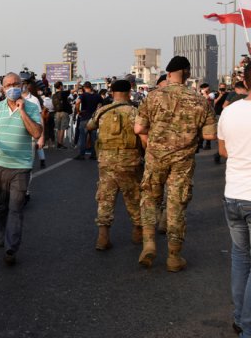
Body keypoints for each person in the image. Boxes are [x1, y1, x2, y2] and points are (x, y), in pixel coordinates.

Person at [134, 56, 217, 271]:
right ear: (187, 74)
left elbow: (139, 129)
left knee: (150, 199)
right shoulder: (199, 100)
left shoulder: (152, 97)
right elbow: (210, 135)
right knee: (176, 204)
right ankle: (173, 256)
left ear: (169, 73)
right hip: (183, 161)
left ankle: (149, 242)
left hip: (155, 158)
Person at [0, 73, 42, 265]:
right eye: (8, 85)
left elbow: (37, 133)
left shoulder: (31, 107)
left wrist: (22, 112)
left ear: (22, 86)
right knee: (2, 206)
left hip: (21, 168)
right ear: (2, 88)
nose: (12, 87)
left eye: (16, 84)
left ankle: (11, 248)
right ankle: (4, 233)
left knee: (16, 208)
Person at [86, 80, 143, 250]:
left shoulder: (103, 111)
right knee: (133, 196)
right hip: (129, 160)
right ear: (129, 92)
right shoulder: (135, 112)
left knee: (105, 198)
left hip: (106, 161)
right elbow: (143, 132)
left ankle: (103, 237)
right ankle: (137, 231)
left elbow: (89, 126)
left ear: (111, 93)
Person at [218, 63, 251, 337]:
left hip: (234, 194)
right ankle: (248, 327)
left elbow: (223, 150)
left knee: (241, 257)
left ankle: (240, 318)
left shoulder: (229, 112)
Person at [74, 82, 102, 160]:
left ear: (84, 87)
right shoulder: (97, 96)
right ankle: (93, 154)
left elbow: (77, 102)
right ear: (91, 87)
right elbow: (100, 105)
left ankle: (81, 154)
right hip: (93, 119)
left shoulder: (83, 95)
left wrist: (78, 111)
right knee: (93, 137)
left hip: (84, 117)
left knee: (83, 137)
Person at [52, 81, 72, 149]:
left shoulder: (54, 95)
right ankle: (61, 143)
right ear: (60, 86)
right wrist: (78, 84)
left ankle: (58, 142)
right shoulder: (63, 93)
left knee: (58, 128)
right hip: (64, 112)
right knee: (63, 128)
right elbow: (73, 90)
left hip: (57, 113)